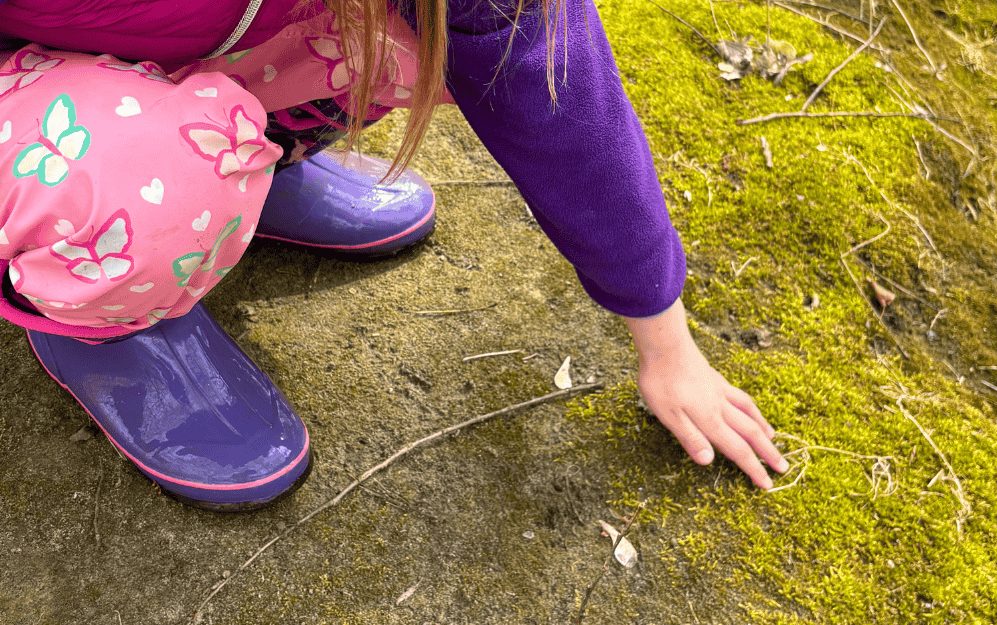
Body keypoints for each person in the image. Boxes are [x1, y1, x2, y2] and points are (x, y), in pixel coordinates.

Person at [0, 0, 788, 510]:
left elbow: (545, 66)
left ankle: (245, 153)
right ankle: (98, 310)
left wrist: (664, 338)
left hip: (173, 42)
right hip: (34, 91)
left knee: (434, 30)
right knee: (147, 187)